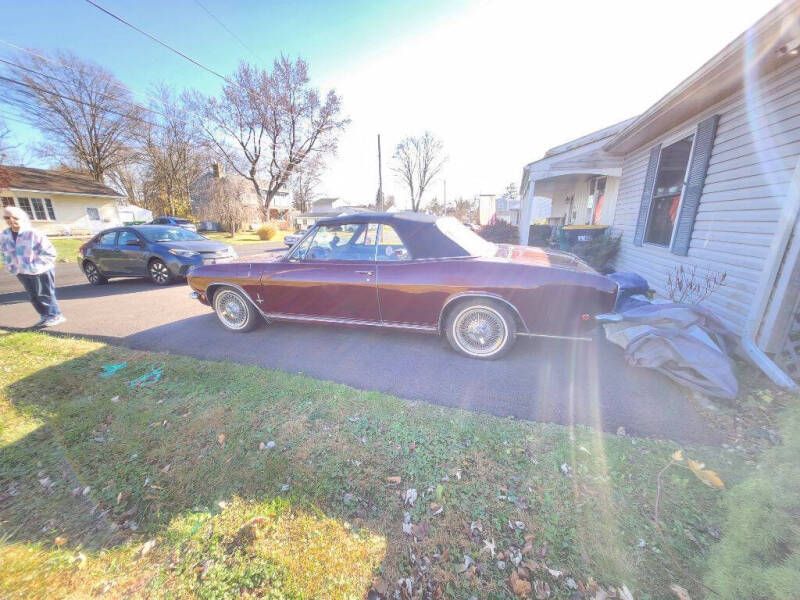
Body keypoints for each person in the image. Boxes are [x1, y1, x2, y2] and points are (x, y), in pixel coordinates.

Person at [1, 206, 66, 327]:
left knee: (44, 294)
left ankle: (55, 316)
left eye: (14, 217)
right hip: (20, 271)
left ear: (22, 218)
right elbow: (4, 252)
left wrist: (35, 266)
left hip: (40, 270)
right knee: (33, 296)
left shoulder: (33, 233)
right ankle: (45, 316)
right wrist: (9, 265)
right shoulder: (4, 235)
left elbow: (50, 253)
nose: (11, 220)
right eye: (7, 218)